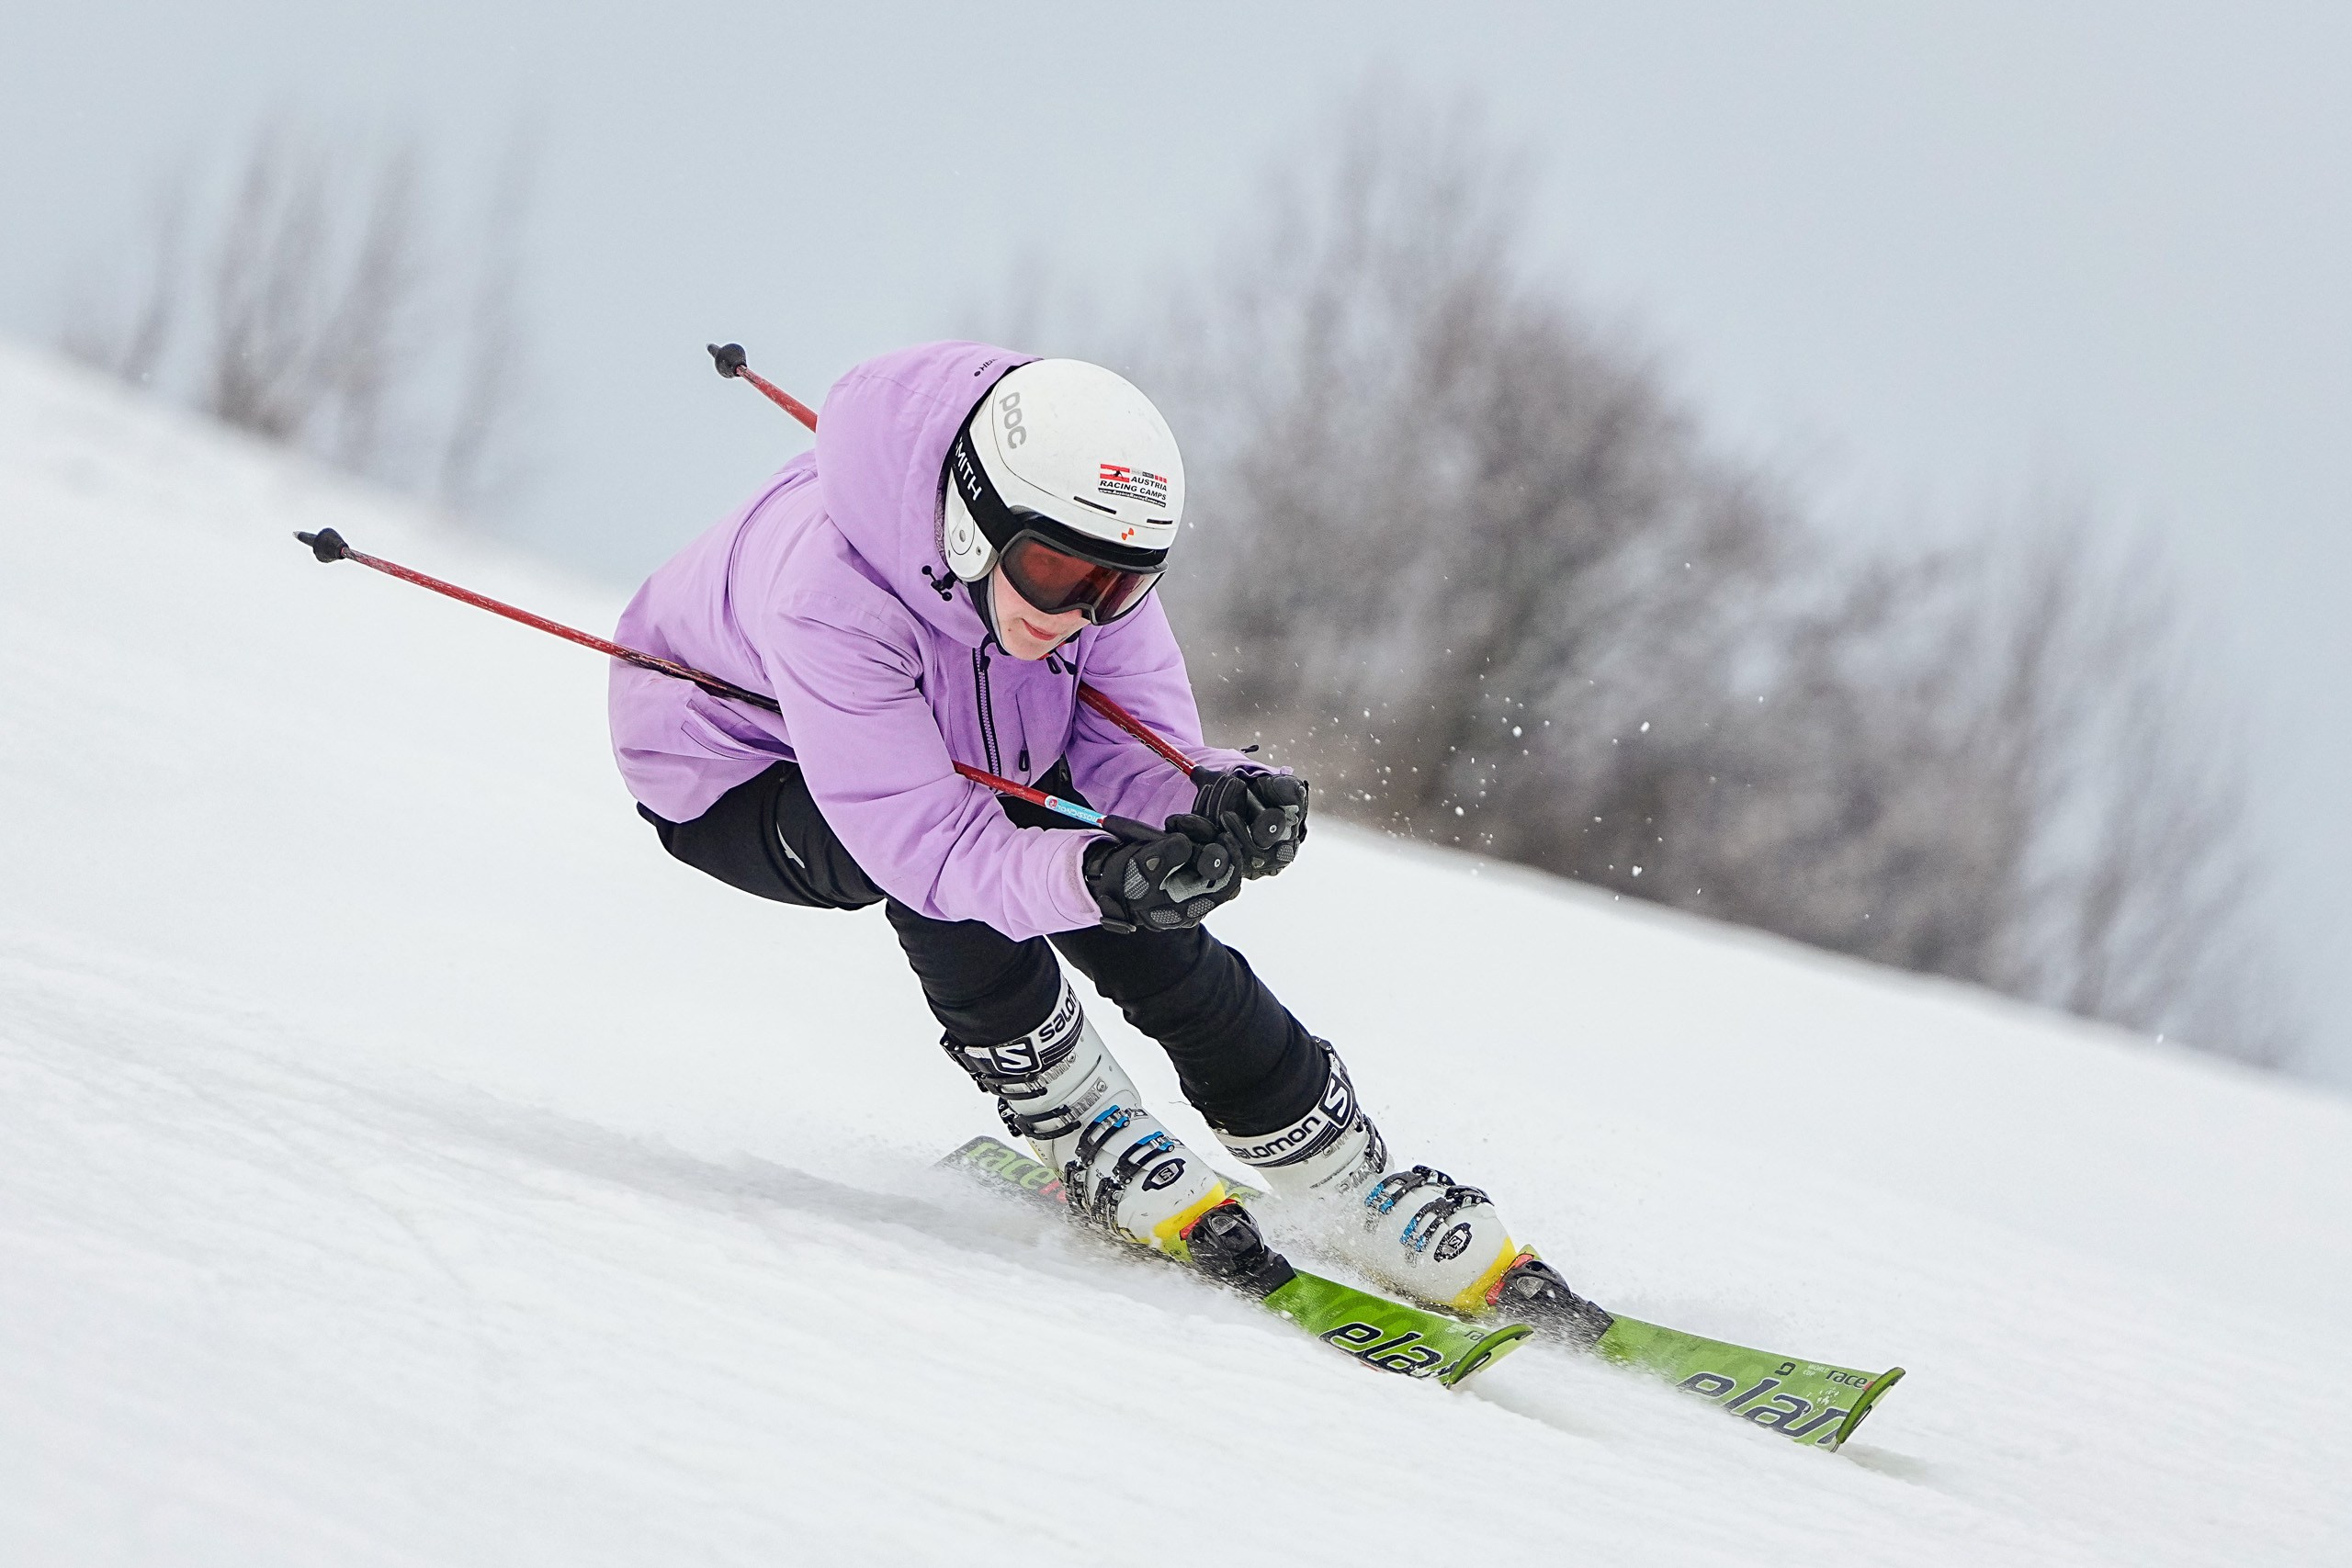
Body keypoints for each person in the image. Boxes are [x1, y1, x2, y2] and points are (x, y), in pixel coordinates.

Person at [606, 341, 1604, 1336]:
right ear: (972, 521)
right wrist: (1094, 874)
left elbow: (1136, 749)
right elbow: (930, 848)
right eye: (1054, 573)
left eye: (1117, 588)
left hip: (962, 747)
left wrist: (1211, 802)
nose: (1079, 612)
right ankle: (1075, 1114)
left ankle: (1349, 1181)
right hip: (738, 776)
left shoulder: (1086, 555)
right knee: (976, 864)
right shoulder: (828, 600)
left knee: (1149, 913)